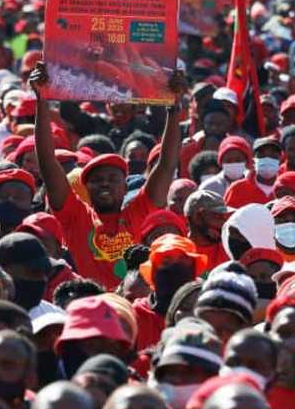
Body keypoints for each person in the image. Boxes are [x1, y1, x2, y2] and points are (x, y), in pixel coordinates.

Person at [31, 62, 186, 288]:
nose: (105, 184)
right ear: (86, 189)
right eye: (97, 180)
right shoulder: (75, 216)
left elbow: (166, 164)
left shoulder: (139, 213)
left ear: (125, 187)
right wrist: (42, 100)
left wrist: (173, 107)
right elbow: (47, 161)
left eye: (113, 179)